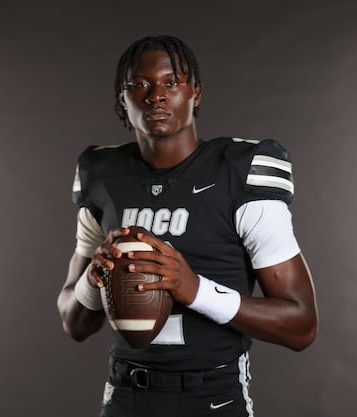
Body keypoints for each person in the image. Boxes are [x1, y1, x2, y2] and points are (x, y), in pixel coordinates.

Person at [57, 34, 318, 417]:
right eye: (140, 84)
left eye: (171, 82)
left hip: (213, 394)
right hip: (127, 393)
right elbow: (74, 323)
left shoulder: (239, 172)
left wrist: (194, 289)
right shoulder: (102, 175)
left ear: (195, 93)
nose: (155, 95)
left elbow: (301, 325)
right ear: (121, 98)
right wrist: (93, 281)